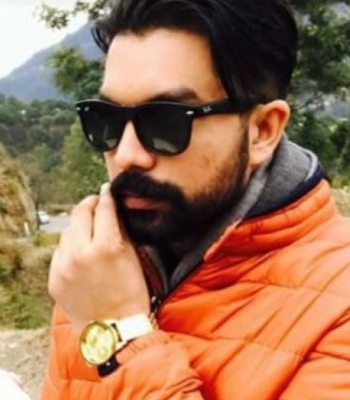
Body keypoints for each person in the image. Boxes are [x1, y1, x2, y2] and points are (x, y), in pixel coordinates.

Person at [41, 0, 350, 398]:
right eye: (107, 119)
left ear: (262, 131)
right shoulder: (96, 274)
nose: (126, 155)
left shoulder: (337, 307)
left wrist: (121, 335)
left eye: (166, 122)